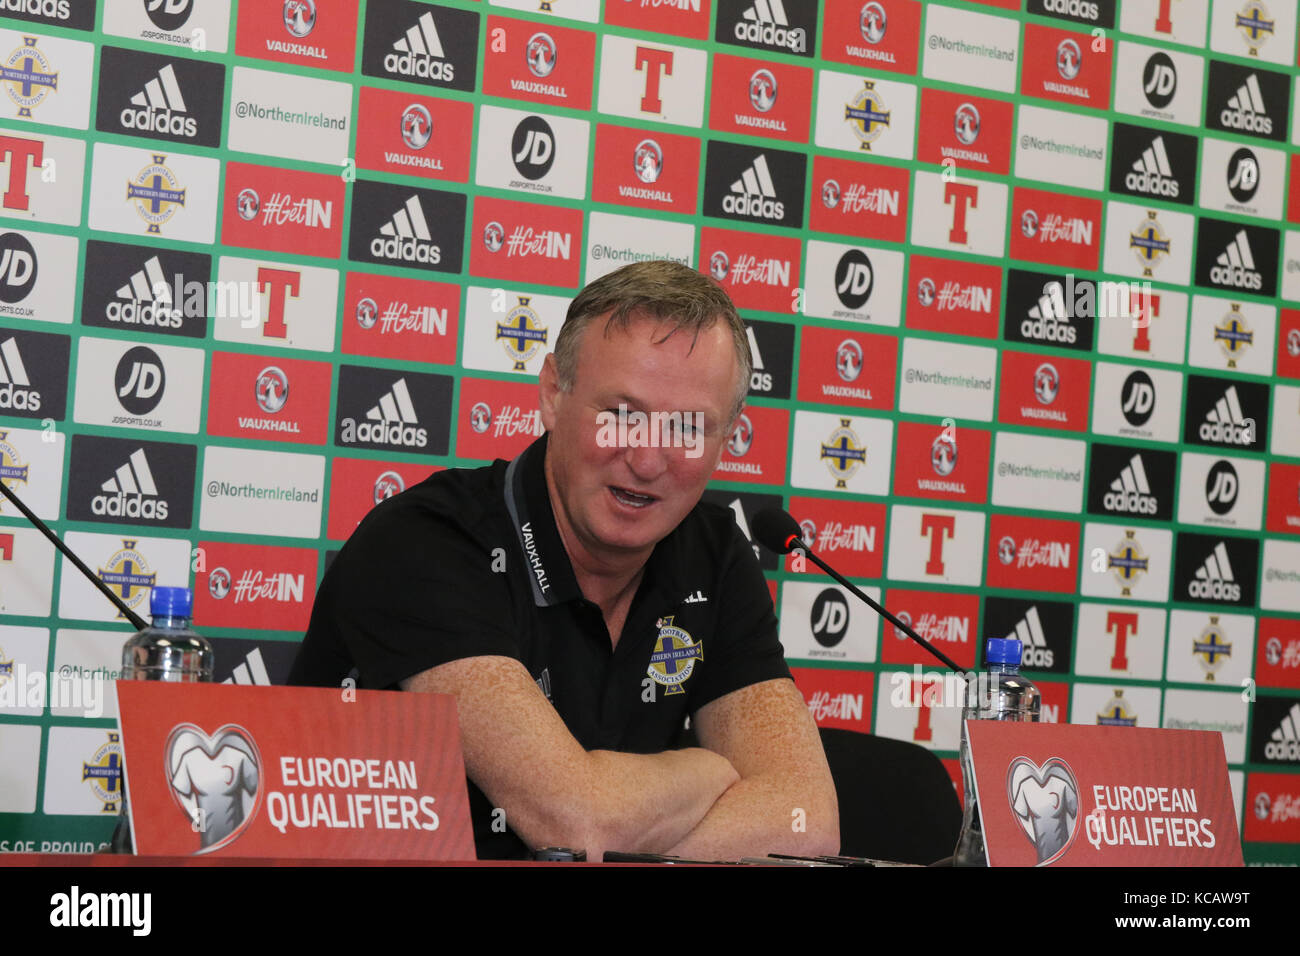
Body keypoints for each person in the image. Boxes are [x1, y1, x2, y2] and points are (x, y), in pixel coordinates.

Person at [289, 260, 838, 860]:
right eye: (622, 413)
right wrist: (706, 771)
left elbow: (804, 820)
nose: (649, 460)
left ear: (728, 436)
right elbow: (574, 818)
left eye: (688, 427)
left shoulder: (713, 554)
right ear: (553, 393)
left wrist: (617, 823)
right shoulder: (426, 542)